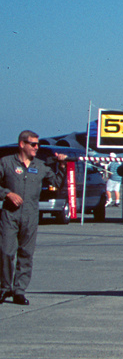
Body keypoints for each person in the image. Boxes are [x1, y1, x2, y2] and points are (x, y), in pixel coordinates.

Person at [1, 130, 61, 305]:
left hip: (30, 216)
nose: (37, 147)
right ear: (22, 144)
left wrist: (62, 166)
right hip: (9, 214)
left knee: (26, 254)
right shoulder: (6, 163)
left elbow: (56, 183)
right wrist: (7, 194)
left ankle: (19, 290)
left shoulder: (40, 166)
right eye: (33, 144)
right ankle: (5, 288)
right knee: (5, 251)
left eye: (38, 144)